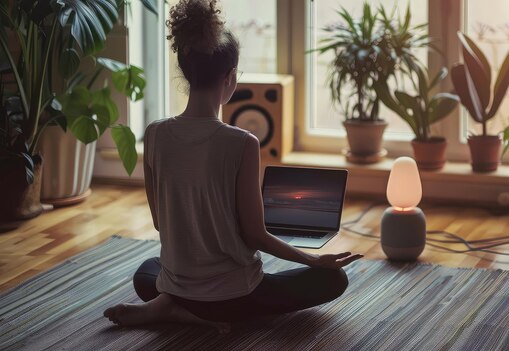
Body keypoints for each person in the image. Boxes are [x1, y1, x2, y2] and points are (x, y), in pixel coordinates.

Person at [103, 0, 362, 334]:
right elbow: (256, 236)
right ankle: (209, 314)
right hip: (237, 294)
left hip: (178, 284)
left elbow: (159, 221)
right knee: (332, 278)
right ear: (229, 78)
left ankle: (172, 304)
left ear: (185, 70)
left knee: (146, 273)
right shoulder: (242, 143)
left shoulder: (154, 134)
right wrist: (314, 259)